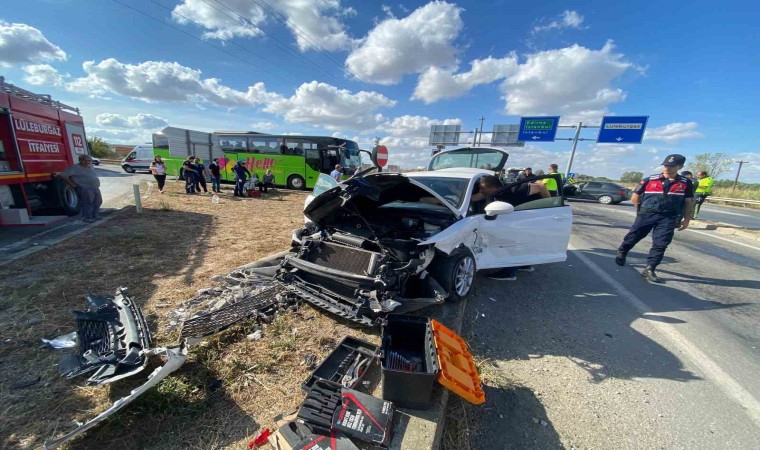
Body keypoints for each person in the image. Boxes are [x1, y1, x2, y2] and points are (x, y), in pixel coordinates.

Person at [615, 154, 694, 283]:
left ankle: (650, 268)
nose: (667, 168)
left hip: (668, 217)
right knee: (635, 235)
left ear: (680, 167)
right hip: (647, 214)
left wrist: (687, 219)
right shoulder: (650, 180)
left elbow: (689, 201)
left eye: (671, 166)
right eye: (665, 165)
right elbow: (635, 196)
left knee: (661, 243)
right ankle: (623, 250)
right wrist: (640, 211)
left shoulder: (685, 183)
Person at [471, 176, 547, 281]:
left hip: (527, 219)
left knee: (511, 243)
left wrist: (548, 205)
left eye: (482, 188)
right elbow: (474, 198)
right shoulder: (490, 193)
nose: (480, 190)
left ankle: (509, 273)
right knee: (519, 242)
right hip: (514, 221)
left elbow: (541, 186)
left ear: (492, 188)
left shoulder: (514, 190)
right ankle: (524, 265)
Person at [60, 154, 102, 223]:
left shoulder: (90, 166)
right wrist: (72, 184)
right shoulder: (75, 167)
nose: (87, 162)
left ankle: (95, 215)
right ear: (80, 160)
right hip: (85, 188)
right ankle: (87, 217)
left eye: (89, 160)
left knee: (98, 202)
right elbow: (63, 175)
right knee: (88, 203)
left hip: (95, 187)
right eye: (84, 160)